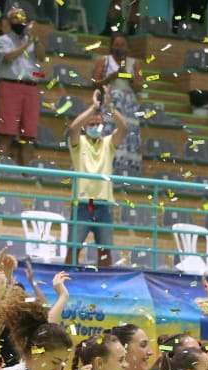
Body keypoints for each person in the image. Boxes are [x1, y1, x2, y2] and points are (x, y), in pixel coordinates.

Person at [66, 89, 127, 268]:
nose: (94, 126)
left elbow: (124, 128)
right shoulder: (79, 143)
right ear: (85, 125)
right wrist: (94, 107)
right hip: (83, 203)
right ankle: (68, 281)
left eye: (98, 123)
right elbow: (72, 129)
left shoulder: (109, 143)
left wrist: (109, 107)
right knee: (73, 248)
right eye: (91, 123)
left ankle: (105, 285)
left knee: (105, 250)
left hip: (104, 204)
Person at [0, 6, 44, 166]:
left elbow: (42, 56)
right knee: (7, 133)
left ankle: (27, 175)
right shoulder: (3, 40)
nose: (19, 20)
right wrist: (26, 43)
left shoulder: (31, 40)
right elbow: (8, 57)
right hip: (10, 86)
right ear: (9, 22)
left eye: (22, 17)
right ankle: (0, 171)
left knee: (28, 136)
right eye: (15, 17)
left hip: (31, 88)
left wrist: (35, 40)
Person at [90, 35, 142, 176]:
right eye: (117, 44)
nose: (119, 48)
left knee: (127, 133)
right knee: (109, 134)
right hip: (110, 102)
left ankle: (128, 172)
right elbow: (95, 82)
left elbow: (140, 86)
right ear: (112, 46)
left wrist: (130, 78)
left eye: (122, 44)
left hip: (129, 106)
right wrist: (110, 78)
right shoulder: (104, 61)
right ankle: (107, 168)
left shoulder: (134, 63)